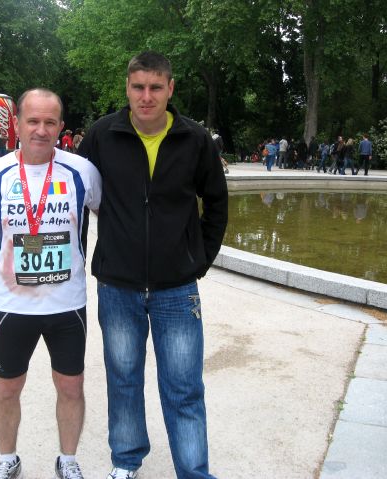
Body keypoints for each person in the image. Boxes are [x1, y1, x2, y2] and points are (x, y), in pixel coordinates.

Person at [78, 51, 227, 479]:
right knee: (123, 380)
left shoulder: (195, 139)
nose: (147, 97)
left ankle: (194, 472)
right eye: (139, 87)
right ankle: (126, 460)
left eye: (155, 87)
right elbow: (75, 200)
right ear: (127, 88)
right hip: (117, 286)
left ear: (170, 88)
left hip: (176, 288)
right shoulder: (102, 136)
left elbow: (216, 203)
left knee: (184, 388)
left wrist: (198, 260)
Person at [0, 88, 101, 479]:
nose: (41, 130)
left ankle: (68, 460)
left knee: (71, 387)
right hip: (14, 305)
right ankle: (7, 457)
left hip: (67, 304)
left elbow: (117, 219)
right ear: (17, 124)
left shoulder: (82, 172)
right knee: (6, 389)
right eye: (33, 121)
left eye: (49, 122)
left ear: (61, 127)